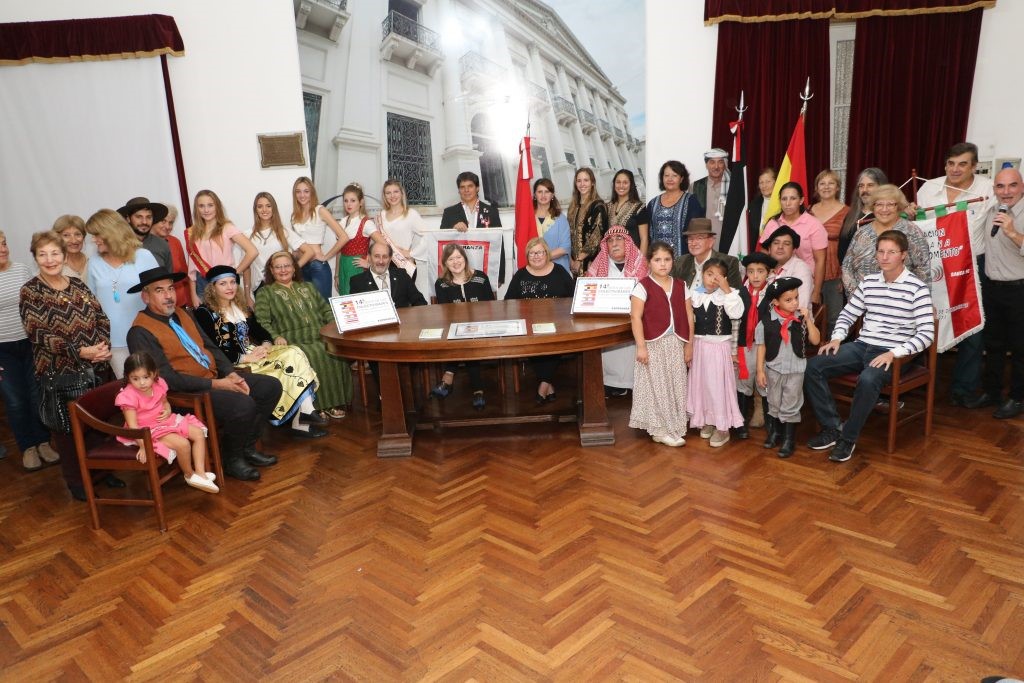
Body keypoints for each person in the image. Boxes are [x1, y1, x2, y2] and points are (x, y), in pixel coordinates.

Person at [127, 266, 282, 482]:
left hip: (213, 379)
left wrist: (230, 373)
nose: (168, 295)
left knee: (270, 387)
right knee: (242, 404)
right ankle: (232, 458)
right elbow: (165, 379)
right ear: (145, 297)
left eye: (171, 289)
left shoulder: (183, 313)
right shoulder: (140, 332)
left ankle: (246, 446)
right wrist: (217, 385)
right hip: (186, 394)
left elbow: (210, 346)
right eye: (159, 291)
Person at [804, 230, 934, 463]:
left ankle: (848, 438)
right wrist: (837, 337)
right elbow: (848, 314)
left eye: (891, 252)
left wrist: (893, 353)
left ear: (903, 255)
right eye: (880, 251)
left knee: (868, 379)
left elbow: (926, 335)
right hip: (862, 345)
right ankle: (832, 428)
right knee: (813, 366)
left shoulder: (917, 288)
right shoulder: (870, 282)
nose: (884, 257)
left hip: (894, 352)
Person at [20, 231, 112, 499]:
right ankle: (77, 482)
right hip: (58, 372)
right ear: (35, 257)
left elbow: (101, 318)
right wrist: (80, 352)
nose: (50, 260)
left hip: (95, 367)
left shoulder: (77, 284)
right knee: (67, 431)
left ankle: (103, 472)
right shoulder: (30, 291)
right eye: (43, 254)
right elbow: (38, 333)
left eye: (55, 253)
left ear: (63, 255)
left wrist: (102, 347)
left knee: (97, 423)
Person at [195, 265, 327, 438]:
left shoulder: (240, 307)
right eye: (223, 283)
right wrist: (245, 357)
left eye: (233, 282)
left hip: (252, 353)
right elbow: (213, 348)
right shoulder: (204, 313)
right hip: (231, 362)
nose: (230, 287)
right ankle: (302, 419)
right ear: (212, 287)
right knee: (287, 364)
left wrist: (265, 344)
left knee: (293, 351)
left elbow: (260, 331)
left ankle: (305, 413)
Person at [914, 143, 992, 408]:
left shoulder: (986, 189)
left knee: (971, 325)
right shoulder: (928, 188)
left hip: (971, 266)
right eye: (951, 163)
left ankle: (964, 389)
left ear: (974, 166)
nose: (955, 169)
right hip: (933, 266)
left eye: (962, 164)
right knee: (926, 322)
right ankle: (920, 382)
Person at [255, 251, 352, 420]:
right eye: (278, 267)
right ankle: (316, 406)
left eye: (287, 266)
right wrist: (275, 336)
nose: (283, 270)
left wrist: (334, 327)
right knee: (315, 354)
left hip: (320, 335)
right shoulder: (266, 292)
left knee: (334, 350)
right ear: (271, 270)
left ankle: (335, 402)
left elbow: (326, 310)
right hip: (292, 341)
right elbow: (262, 322)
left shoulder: (308, 287)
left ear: (294, 268)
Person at [116, 351, 216, 493]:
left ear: (154, 373)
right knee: (183, 444)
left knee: (198, 433)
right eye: (135, 378)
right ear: (128, 377)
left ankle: (200, 473)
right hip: (145, 431)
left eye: (146, 377)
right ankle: (189, 475)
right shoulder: (128, 396)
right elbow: (133, 426)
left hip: (165, 421)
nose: (142, 383)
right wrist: (143, 446)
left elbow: (165, 403)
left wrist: (168, 410)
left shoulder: (159, 383)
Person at [967, 168, 1024, 418]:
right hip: (992, 288)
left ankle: (1018, 398)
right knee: (993, 345)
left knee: (1020, 348)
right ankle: (992, 392)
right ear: (994, 190)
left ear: (1022, 187)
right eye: (1000, 186)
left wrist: (1012, 232)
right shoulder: (992, 211)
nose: (1006, 192)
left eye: (1012, 185)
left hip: (1019, 290)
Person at [0, 230, 57, 471]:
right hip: (2, 351)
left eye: (4, 243)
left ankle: (43, 442)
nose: (3, 249)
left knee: (37, 397)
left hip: (31, 344)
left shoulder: (22, 270)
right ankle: (27, 447)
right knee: (15, 402)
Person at [628, 241, 694, 447]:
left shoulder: (681, 285)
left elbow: (689, 315)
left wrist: (689, 344)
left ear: (673, 261)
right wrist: (641, 346)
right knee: (657, 387)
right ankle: (661, 429)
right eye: (657, 260)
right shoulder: (642, 287)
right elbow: (635, 317)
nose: (663, 264)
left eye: (667, 259)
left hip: (675, 343)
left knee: (675, 385)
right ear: (649, 262)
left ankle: (673, 425)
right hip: (653, 344)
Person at [85, 209, 160, 378]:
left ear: (111, 233)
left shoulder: (143, 256)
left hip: (146, 334)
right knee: (130, 387)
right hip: (114, 341)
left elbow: (159, 292)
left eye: (97, 235)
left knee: (155, 383)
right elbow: (91, 303)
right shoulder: (94, 262)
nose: (94, 240)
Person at [755, 277, 820, 459]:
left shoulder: (801, 319)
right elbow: (761, 346)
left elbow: (816, 340)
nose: (794, 303)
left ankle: (788, 439)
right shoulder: (766, 322)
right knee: (774, 402)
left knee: (791, 404)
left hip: (795, 370)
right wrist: (760, 370)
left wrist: (808, 319)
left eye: (796, 298)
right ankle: (775, 432)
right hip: (773, 368)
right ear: (776, 302)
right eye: (788, 300)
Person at [504, 237, 575, 402]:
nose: (536, 256)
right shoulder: (520, 274)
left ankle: (543, 384)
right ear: (527, 255)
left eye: (540, 252)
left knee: (554, 342)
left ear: (547, 253)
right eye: (532, 253)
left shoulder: (560, 271)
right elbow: (508, 302)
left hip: (558, 325)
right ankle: (546, 384)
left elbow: (574, 296)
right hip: (530, 326)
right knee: (532, 343)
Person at [688, 257, 746, 448]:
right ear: (702, 274)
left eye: (718, 276)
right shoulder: (694, 294)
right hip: (699, 347)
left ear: (725, 279)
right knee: (702, 386)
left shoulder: (729, 295)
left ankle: (722, 427)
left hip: (719, 348)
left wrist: (727, 290)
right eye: (709, 274)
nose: (713, 279)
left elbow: (736, 314)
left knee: (717, 388)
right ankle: (708, 420)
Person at [586, 226, 649, 397]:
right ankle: (610, 383)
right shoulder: (598, 265)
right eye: (610, 241)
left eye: (619, 239)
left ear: (627, 242)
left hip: (636, 319)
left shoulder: (641, 264)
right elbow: (588, 294)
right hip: (607, 321)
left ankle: (634, 383)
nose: (614, 244)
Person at [432, 243, 494, 410]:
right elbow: (446, 313)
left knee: (468, 339)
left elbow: (491, 306)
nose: (456, 262)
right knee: (463, 339)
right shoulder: (441, 283)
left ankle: (448, 376)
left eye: (459, 257)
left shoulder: (481, 278)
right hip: (456, 328)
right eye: (451, 259)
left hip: (482, 326)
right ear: (445, 263)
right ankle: (478, 389)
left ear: (465, 259)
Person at [841, 184, 931, 298]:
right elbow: (847, 267)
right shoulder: (861, 233)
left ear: (899, 206)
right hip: (864, 302)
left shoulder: (912, 231)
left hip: (902, 302)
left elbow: (923, 269)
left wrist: (917, 299)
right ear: (873, 206)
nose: (884, 209)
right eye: (879, 204)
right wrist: (857, 298)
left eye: (890, 204)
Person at [185, 189, 258, 306]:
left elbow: (252, 251)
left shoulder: (227, 227)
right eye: (201, 206)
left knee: (229, 315)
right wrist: (193, 294)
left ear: (217, 206)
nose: (206, 210)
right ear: (196, 209)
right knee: (207, 317)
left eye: (210, 205)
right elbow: (192, 268)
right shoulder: (192, 232)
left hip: (225, 283)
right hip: (202, 283)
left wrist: (234, 272)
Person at [760, 181, 828, 305]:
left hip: (803, 282)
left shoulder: (814, 225)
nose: (788, 203)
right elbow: (764, 252)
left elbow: (820, 260)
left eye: (793, 198)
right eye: (784, 199)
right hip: (775, 280)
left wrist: (816, 292)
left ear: (801, 200)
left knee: (798, 312)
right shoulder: (773, 223)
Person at [736, 252, 777, 435]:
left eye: (760, 271)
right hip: (744, 346)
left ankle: (771, 426)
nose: (755, 276)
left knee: (764, 382)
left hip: (765, 347)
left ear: (768, 273)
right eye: (751, 271)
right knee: (743, 382)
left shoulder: (772, 295)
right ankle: (740, 423)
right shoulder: (740, 293)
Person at [291, 176, 350, 300]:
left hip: (317, 266)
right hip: (301, 267)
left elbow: (344, 237)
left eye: (306, 191)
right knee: (307, 307)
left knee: (324, 307)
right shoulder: (294, 216)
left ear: (312, 192)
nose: (302, 195)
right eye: (298, 191)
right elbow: (297, 243)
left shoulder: (320, 210)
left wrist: (326, 257)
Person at [440, 171, 505, 282]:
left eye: (470, 186)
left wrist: (500, 276)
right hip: (457, 271)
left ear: (477, 188)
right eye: (462, 187)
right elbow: (442, 245)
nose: (466, 190)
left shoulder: (491, 211)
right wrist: (453, 229)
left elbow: (499, 244)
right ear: (459, 190)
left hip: (486, 268)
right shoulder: (449, 212)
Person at [808, 170, 850, 335]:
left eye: (831, 183)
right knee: (809, 315)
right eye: (822, 183)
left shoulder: (848, 212)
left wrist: (845, 276)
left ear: (838, 187)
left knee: (834, 318)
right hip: (809, 272)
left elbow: (851, 246)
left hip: (835, 273)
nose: (826, 187)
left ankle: (833, 349)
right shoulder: (807, 210)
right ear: (816, 188)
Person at [250, 192, 311, 299]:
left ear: (274, 208)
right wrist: (247, 295)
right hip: (259, 286)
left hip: (282, 284)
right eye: (260, 206)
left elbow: (309, 251)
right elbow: (247, 268)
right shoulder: (248, 235)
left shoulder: (283, 231)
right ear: (255, 210)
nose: (264, 210)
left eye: (268, 206)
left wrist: (291, 269)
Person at [646, 160, 704, 256]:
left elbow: (697, 233)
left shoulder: (691, 201)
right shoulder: (653, 203)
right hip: (657, 259)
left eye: (674, 175)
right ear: (662, 178)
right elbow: (647, 235)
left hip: (683, 260)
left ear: (681, 179)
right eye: (666, 175)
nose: (670, 179)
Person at [349, 240, 429, 308]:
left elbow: (420, 301)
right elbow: (356, 310)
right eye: (377, 256)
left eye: (385, 257)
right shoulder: (357, 281)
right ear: (369, 257)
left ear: (390, 259)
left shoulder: (401, 275)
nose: (381, 261)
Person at [670, 218, 742, 291]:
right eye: (691, 239)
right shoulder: (680, 262)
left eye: (699, 238)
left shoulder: (729, 262)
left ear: (711, 241)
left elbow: (737, 293)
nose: (694, 243)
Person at [335, 183, 381, 296]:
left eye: (353, 200)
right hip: (343, 267)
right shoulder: (342, 222)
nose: (349, 204)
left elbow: (383, 245)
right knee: (345, 301)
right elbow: (339, 250)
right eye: (346, 201)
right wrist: (336, 274)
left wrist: (369, 263)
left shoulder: (366, 223)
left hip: (357, 268)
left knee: (357, 298)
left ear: (361, 202)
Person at [838, 167, 888, 266]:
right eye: (861, 186)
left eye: (870, 185)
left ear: (881, 187)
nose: (864, 190)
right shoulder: (851, 216)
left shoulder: (889, 215)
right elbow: (842, 251)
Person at [377, 179, 425, 277]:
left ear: (402, 193)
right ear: (384, 196)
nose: (392, 196)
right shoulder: (381, 215)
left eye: (396, 191)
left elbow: (429, 236)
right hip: (384, 264)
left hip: (404, 264)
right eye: (388, 193)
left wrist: (411, 253)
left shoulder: (411, 214)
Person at [567, 167, 608, 275]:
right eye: (579, 181)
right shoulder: (573, 207)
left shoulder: (598, 206)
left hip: (591, 263)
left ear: (592, 183)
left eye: (586, 180)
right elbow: (569, 234)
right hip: (574, 263)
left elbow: (596, 236)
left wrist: (579, 259)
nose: (582, 184)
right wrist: (571, 260)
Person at [762, 226, 814, 310]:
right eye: (776, 243)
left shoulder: (801, 269)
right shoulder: (765, 268)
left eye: (786, 244)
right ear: (769, 249)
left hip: (793, 317)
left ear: (793, 250)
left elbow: (800, 307)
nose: (780, 247)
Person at [150, 204, 190, 307]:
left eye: (171, 222)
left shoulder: (175, 242)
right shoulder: (144, 245)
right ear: (153, 221)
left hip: (180, 302)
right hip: (158, 304)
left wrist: (189, 302)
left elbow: (185, 275)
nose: (167, 226)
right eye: (163, 221)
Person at [116, 197, 172, 270]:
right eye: (139, 217)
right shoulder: (117, 245)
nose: (144, 222)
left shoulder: (162, 245)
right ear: (128, 219)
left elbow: (169, 275)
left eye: (149, 217)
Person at [607, 169, 650, 256]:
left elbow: (644, 239)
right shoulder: (608, 207)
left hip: (633, 257)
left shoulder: (639, 208)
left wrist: (640, 261)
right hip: (612, 258)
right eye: (618, 182)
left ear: (631, 185)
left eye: (625, 182)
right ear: (614, 184)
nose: (621, 186)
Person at [691, 148, 730, 241]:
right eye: (712, 162)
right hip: (702, 239)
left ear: (725, 165)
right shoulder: (696, 186)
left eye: (720, 162)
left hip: (728, 239)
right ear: (706, 165)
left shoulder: (733, 187)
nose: (716, 167)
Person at [533, 178, 571, 273]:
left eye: (547, 192)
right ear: (535, 195)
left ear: (552, 195)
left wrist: (541, 257)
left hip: (557, 270)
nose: (543, 195)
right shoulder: (528, 218)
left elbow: (564, 248)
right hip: (534, 270)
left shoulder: (560, 218)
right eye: (540, 192)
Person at [53, 215, 89, 280]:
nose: (73, 240)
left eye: (77, 234)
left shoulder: (92, 261)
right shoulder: (52, 265)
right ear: (57, 238)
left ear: (83, 237)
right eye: (66, 235)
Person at [748, 167, 776, 237]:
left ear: (776, 182)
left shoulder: (783, 203)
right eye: (761, 182)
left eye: (768, 182)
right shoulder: (754, 204)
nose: (764, 186)